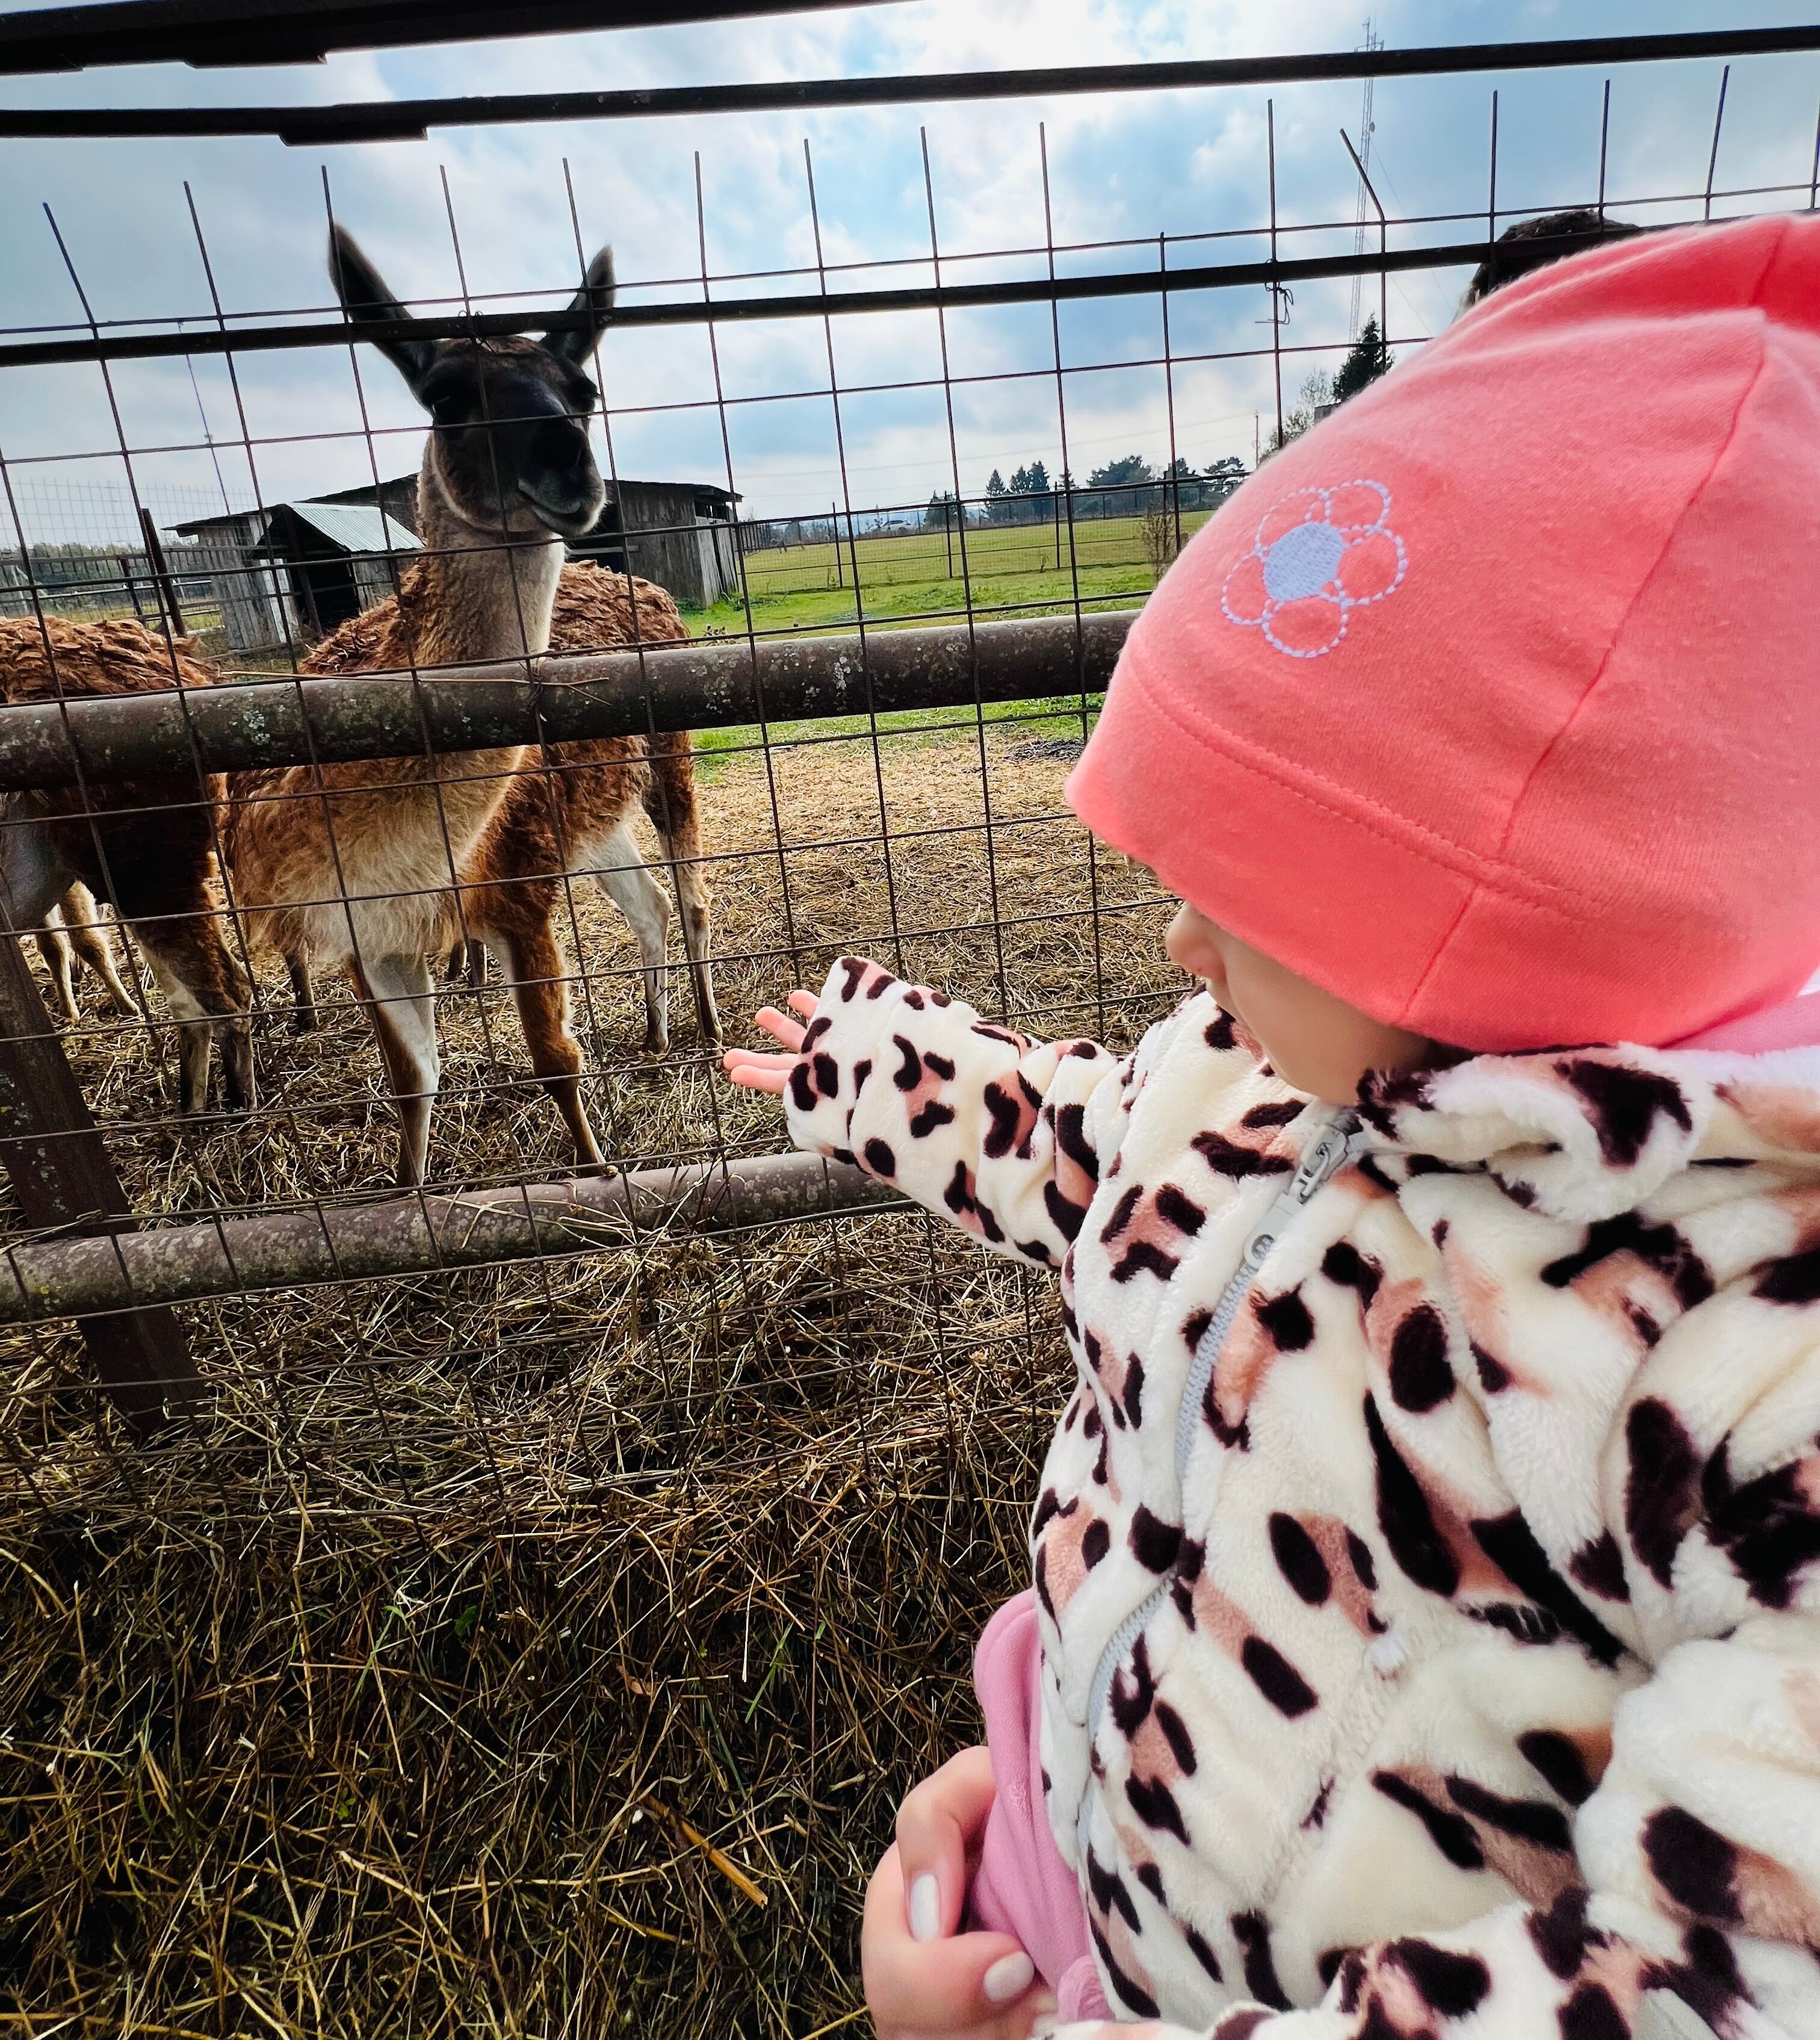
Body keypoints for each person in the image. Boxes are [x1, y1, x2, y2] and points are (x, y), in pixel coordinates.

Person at [725, 214, 1820, 2040]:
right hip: (1063, 1848)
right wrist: (892, 1073)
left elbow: (1723, 1979)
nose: (1178, 937)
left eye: (1249, 885)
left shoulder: (1748, 1364)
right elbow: (1109, 1157)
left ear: (1510, 907)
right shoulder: (1277, 1066)